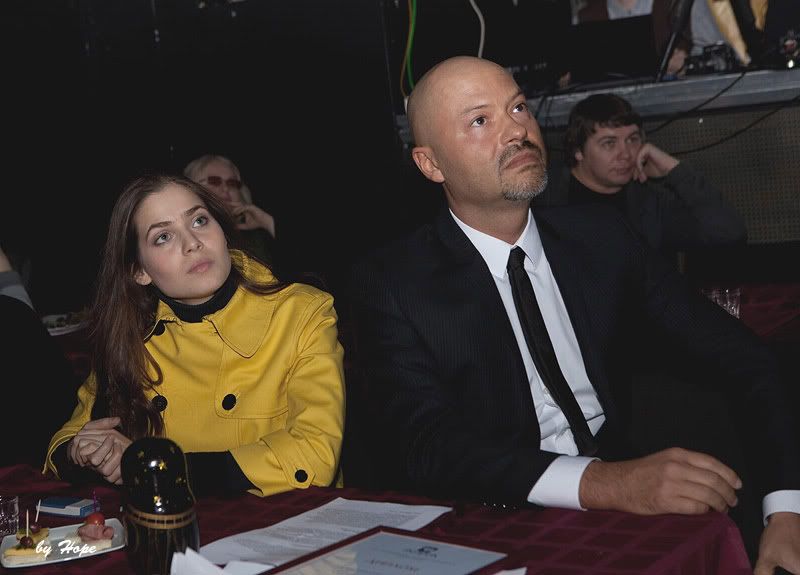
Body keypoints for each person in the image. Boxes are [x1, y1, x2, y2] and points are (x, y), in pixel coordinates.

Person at [347, 56, 799, 574]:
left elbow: (746, 357)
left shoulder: (602, 239)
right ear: (431, 165)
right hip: (490, 521)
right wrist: (606, 483)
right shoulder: (393, 282)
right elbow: (427, 445)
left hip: (625, 501)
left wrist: (787, 510)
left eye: (518, 107)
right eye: (480, 120)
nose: (516, 130)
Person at [44, 174, 345, 498]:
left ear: (222, 231)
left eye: (199, 220)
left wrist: (158, 467)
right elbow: (68, 438)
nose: (192, 243)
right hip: (168, 520)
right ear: (139, 271)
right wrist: (83, 453)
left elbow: (315, 454)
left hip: (285, 520)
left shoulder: (301, 312)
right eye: (163, 237)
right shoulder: (131, 334)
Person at [537, 92, 747, 255]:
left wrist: (674, 170)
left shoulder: (649, 201)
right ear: (578, 150)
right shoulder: (544, 197)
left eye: (633, 139)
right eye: (609, 143)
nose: (626, 154)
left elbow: (729, 233)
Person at [184, 154, 278, 267]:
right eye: (214, 181)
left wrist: (267, 222)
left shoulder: (256, 236)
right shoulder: (188, 237)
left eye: (232, 183)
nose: (225, 188)